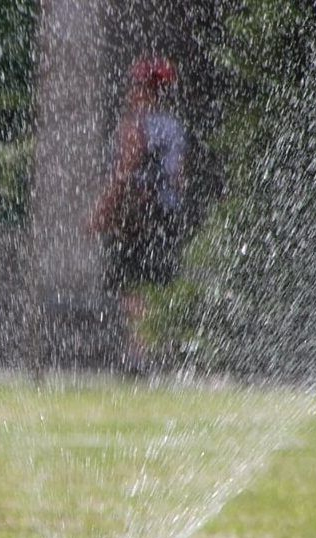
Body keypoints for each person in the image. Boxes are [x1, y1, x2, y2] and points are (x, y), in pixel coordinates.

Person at [88, 56, 188, 373]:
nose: (129, 91)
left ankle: (138, 357)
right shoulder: (173, 128)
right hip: (165, 215)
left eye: (135, 85)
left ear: (145, 90)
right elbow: (177, 176)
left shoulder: (135, 127)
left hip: (135, 218)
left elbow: (123, 173)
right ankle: (153, 352)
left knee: (131, 286)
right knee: (153, 285)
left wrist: (103, 209)